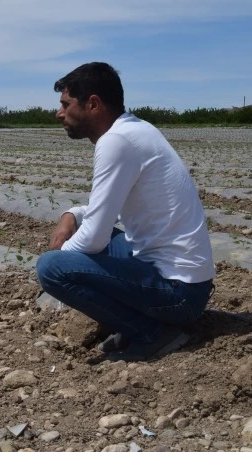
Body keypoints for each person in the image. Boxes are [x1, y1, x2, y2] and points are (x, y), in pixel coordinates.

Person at [35, 62, 216, 362]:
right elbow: (100, 214)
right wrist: (72, 216)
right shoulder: (134, 130)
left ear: (93, 104)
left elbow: (93, 239)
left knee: (50, 268)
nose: (59, 113)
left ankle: (150, 333)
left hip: (179, 293)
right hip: (186, 283)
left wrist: (60, 257)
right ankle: (139, 323)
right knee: (85, 240)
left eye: (66, 104)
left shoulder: (116, 142)